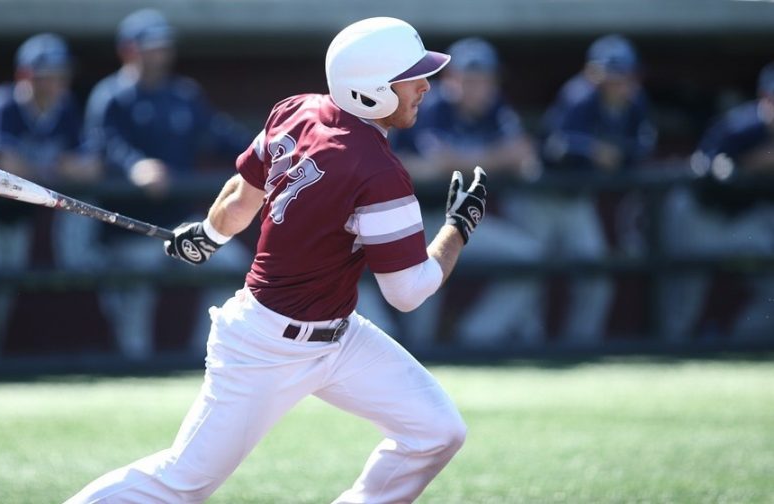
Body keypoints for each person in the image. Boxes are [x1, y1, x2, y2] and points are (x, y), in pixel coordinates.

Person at [66, 17, 483, 502]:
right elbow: (408, 292)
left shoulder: (296, 110)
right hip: (265, 345)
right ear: (371, 89)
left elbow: (240, 200)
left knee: (437, 430)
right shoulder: (380, 171)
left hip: (338, 335)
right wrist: (458, 227)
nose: (426, 86)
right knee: (180, 482)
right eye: (412, 76)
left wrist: (208, 233)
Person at [89, 8, 253, 360]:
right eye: (152, 47)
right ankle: (133, 362)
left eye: (164, 47)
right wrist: (136, 167)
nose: (161, 55)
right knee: (139, 278)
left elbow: (218, 134)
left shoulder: (184, 94)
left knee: (231, 264)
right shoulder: (111, 97)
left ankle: (206, 353)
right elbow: (101, 149)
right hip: (129, 229)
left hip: (180, 221)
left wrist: (263, 150)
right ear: (130, 50)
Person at [0, 33, 98, 360]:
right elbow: (6, 164)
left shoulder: (65, 108)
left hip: (16, 219)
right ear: (26, 75)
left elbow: (90, 167)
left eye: (61, 74)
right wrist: (56, 166)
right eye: (49, 75)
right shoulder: (4, 103)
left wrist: (48, 167)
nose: (58, 82)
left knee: (4, 288)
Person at [393, 37, 544, 348]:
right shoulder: (430, 105)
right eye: (471, 79)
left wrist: (465, 159)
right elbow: (440, 164)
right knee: (421, 305)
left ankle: (477, 336)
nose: (481, 88)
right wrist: (497, 157)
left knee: (530, 256)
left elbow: (526, 159)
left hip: (464, 224)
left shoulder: (496, 109)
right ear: (450, 79)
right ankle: (418, 354)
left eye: (487, 79)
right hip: (416, 223)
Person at [520, 34, 657, 343]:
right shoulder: (578, 96)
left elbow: (642, 147)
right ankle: (529, 343)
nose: (618, 82)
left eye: (624, 75)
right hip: (542, 197)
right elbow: (556, 149)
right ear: (593, 73)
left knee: (595, 274)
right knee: (528, 274)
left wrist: (614, 154)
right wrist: (594, 150)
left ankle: (582, 343)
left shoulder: (635, 102)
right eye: (611, 74)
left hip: (577, 201)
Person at [660, 62, 774, 341]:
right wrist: (750, 165)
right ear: (765, 97)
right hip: (702, 214)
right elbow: (706, 171)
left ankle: (742, 345)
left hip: (745, 222)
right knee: (686, 295)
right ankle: (672, 354)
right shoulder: (740, 126)